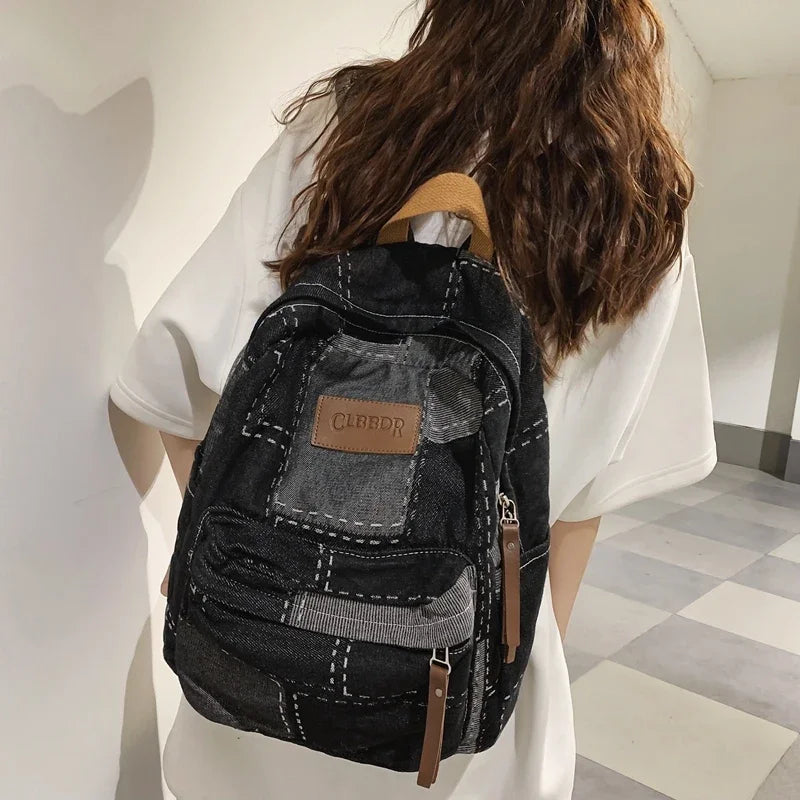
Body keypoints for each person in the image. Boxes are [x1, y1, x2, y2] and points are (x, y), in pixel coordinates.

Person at [110, 1, 716, 797]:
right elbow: (577, 510)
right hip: (450, 708)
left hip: (254, 674)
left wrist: (234, 547)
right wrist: (508, 664)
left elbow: (172, 374)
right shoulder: (639, 208)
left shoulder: (345, 127)